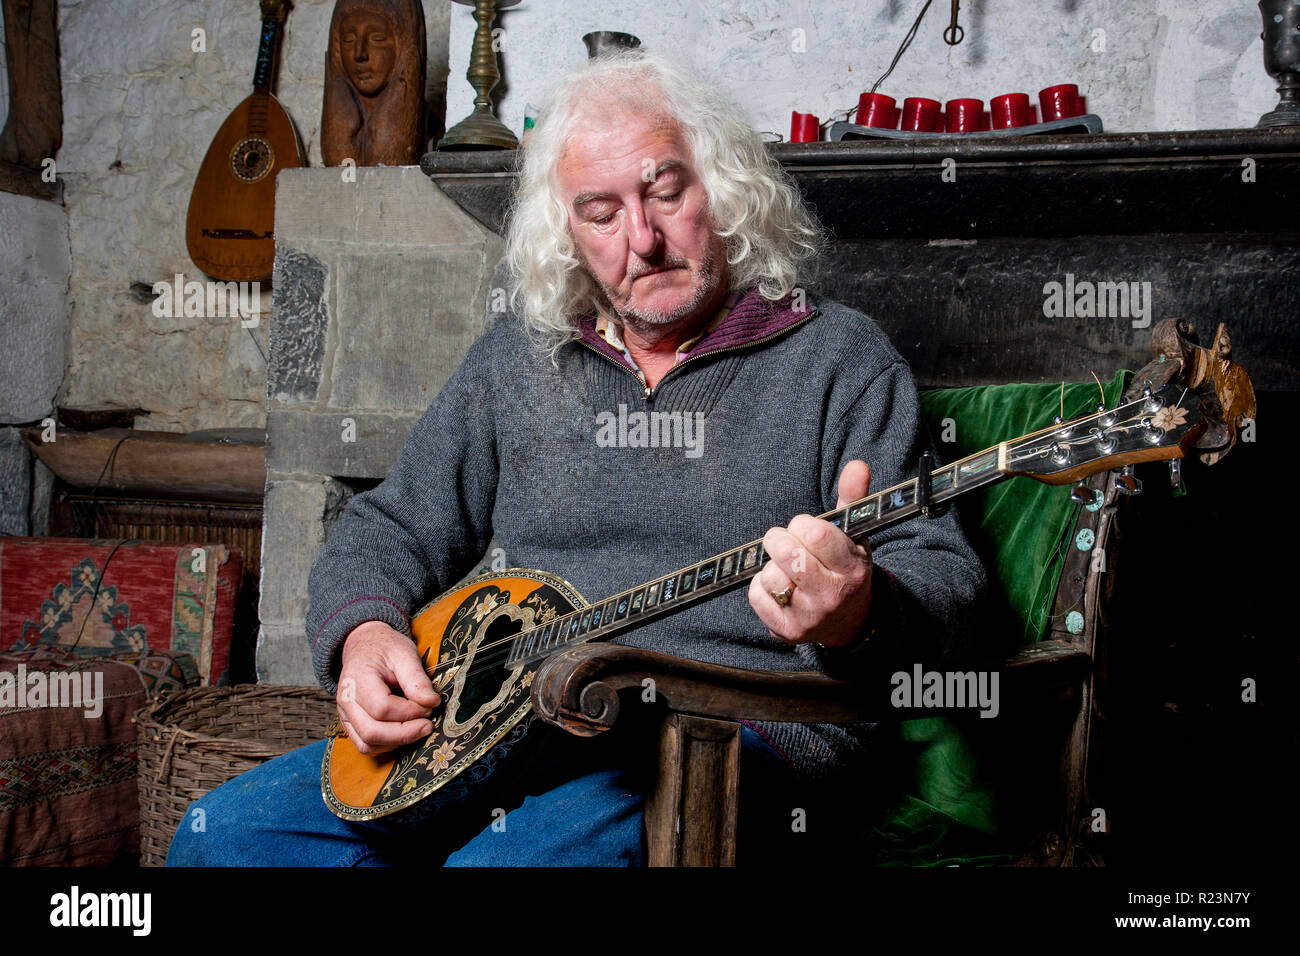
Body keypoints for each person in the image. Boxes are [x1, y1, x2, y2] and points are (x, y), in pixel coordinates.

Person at [167, 50, 985, 867]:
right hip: (503, 726)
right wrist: (364, 633)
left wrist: (859, 611)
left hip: (731, 735)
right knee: (224, 839)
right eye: (601, 212)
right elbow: (388, 526)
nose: (644, 238)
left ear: (725, 188)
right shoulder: (517, 361)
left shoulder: (838, 357)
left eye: (668, 193)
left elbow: (947, 578)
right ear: (567, 233)